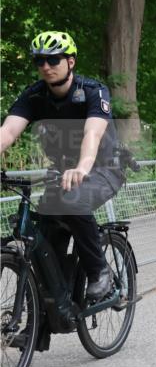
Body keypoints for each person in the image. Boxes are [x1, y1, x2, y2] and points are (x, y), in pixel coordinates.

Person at [0, 31, 125, 315]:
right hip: (63, 175)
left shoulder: (93, 91)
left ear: (70, 61)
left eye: (53, 59)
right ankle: (55, 304)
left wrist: (82, 167)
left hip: (104, 169)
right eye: (40, 61)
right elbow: (7, 132)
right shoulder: (34, 96)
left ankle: (99, 271)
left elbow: (92, 134)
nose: (46, 66)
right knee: (44, 233)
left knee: (72, 201)